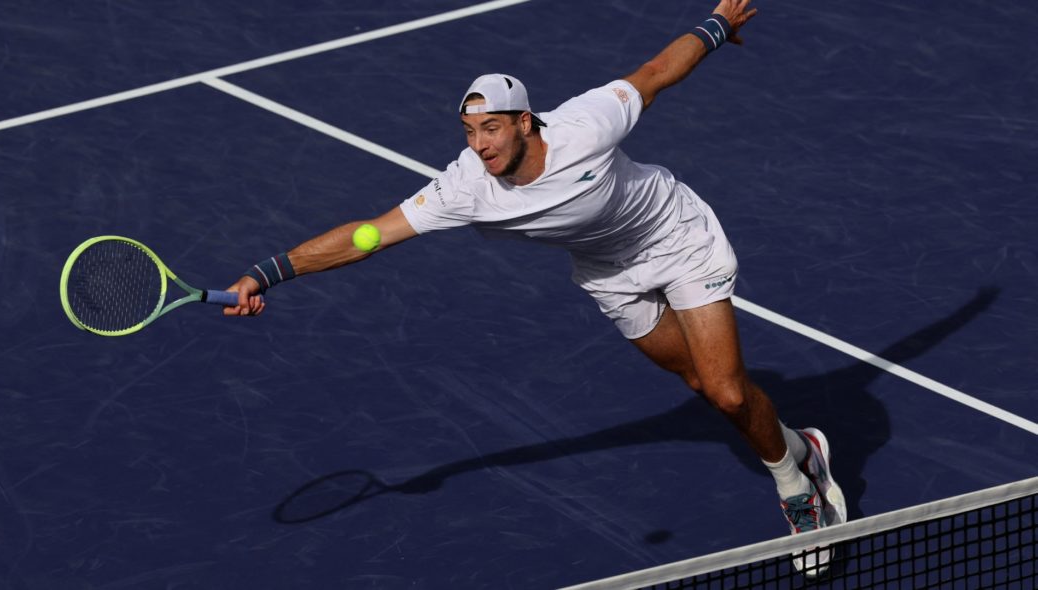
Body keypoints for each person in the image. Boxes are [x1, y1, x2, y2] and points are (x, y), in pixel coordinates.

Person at [226, 0, 846, 576]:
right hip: (610, 275)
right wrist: (269, 271)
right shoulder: (465, 187)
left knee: (728, 395)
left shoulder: (587, 124)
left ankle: (795, 491)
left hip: (678, 240)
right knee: (696, 384)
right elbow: (368, 235)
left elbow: (656, 72)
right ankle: (801, 448)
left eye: (491, 129)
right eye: (470, 131)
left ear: (525, 121)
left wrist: (716, 24)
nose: (480, 144)